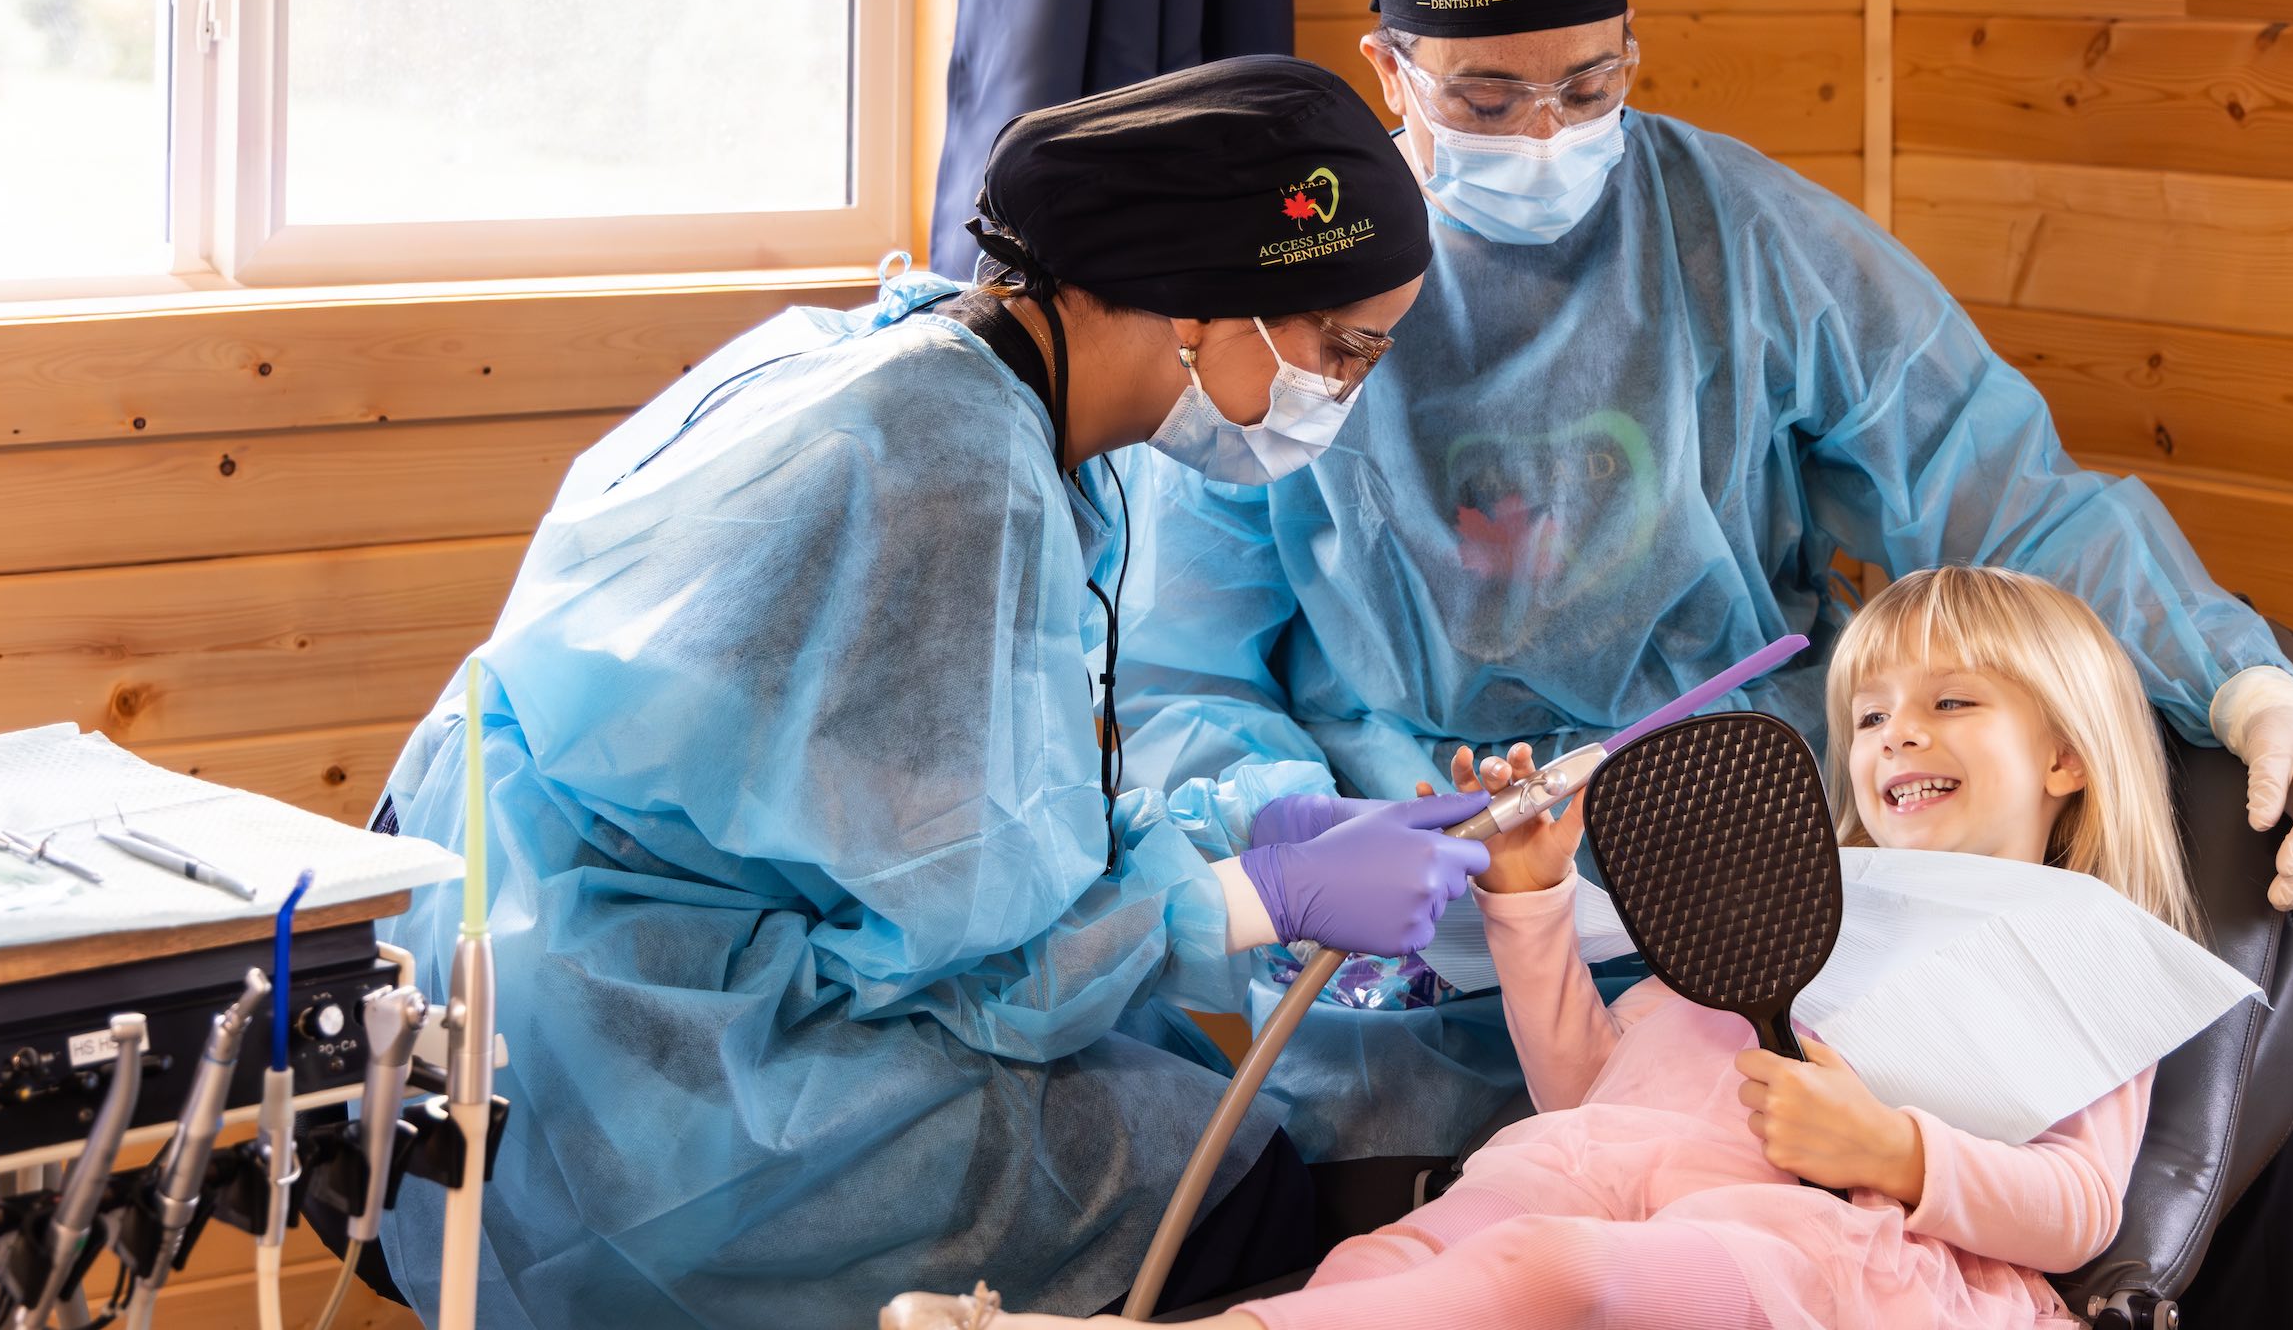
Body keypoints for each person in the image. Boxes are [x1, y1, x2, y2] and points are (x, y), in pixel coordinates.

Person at [1112, 0, 2293, 1322]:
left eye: (1588, 88)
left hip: (1747, 896)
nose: (1547, 133)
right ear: (1390, 69)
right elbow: (1185, 666)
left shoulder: (1740, 239)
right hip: (1420, 954)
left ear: (1633, 54)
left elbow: (1992, 476)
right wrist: (1305, 839)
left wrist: (2241, 677)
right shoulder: (1299, 293)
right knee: (1426, 1258)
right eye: (1487, 100)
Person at [359, 56, 1500, 1328]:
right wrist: (1251, 894)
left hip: (526, 974)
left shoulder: (920, 362)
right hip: (651, 1093)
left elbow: (923, 815)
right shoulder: (957, 477)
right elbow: (979, 975)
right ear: (1204, 302)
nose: (1339, 395)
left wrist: (1232, 830)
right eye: (1340, 350)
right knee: (1229, 1181)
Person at [883, 564, 2222, 1330]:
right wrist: (1529, 896)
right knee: (1406, 1262)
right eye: (1866, 714)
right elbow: (1591, 1092)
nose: (1893, 736)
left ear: (2064, 753)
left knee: (1559, 1277)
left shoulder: (2077, 948)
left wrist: (1898, 1150)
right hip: (1602, 1176)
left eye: (1951, 700)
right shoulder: (1786, 897)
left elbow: (2082, 1206)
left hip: (1831, 1256)